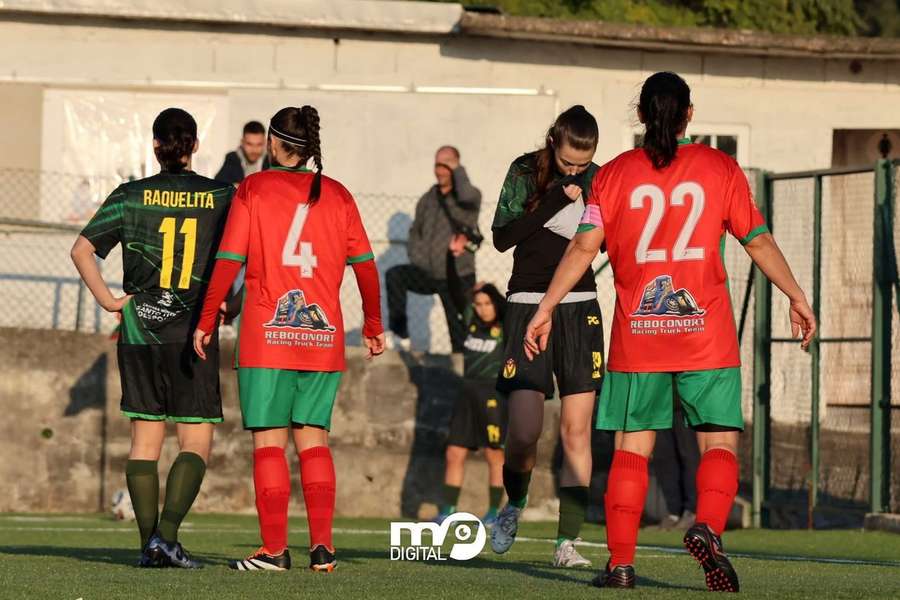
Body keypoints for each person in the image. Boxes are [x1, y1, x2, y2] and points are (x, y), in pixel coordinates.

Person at [524, 72, 816, 591]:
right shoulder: (720, 169)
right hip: (706, 333)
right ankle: (706, 526)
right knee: (718, 442)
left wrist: (546, 305)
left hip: (639, 336)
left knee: (633, 449)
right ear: (689, 114)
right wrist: (795, 294)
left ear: (641, 114)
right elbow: (758, 241)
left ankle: (619, 566)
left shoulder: (611, 175)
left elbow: (584, 248)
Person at [193, 105, 385, 573]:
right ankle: (323, 548)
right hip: (322, 336)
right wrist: (375, 325)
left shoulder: (253, 188)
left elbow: (228, 259)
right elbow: (365, 267)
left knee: (269, 445)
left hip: (267, 336)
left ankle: (274, 550)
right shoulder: (337, 194)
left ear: (275, 145)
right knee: (314, 440)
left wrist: (205, 318)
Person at [70, 108, 234, 568]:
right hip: (194, 333)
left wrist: (107, 301)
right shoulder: (223, 195)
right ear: (195, 145)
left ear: (156, 146)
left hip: (140, 329)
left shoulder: (130, 195)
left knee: (145, 441)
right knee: (195, 443)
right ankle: (167, 537)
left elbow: (81, 250)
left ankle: (149, 547)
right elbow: (240, 254)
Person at [489, 105, 606, 569]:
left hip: (581, 308)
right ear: (554, 141)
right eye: (569, 161)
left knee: (576, 431)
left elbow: (606, 238)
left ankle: (567, 542)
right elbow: (502, 237)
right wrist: (556, 198)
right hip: (525, 304)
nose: (577, 170)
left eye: (585, 162)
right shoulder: (525, 170)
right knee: (523, 432)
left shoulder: (601, 178)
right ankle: (513, 504)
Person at [386, 146, 481, 352]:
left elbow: (467, 194)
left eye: (445, 165)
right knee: (395, 275)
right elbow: (415, 232)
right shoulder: (428, 199)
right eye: (437, 164)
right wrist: (419, 259)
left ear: (456, 166)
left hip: (457, 275)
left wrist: (458, 170)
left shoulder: (468, 197)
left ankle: (463, 375)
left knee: (461, 334)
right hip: (428, 273)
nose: (439, 170)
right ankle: (400, 334)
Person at [437, 258, 507, 526]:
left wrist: (487, 287)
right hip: (467, 393)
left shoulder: (506, 325)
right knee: (454, 452)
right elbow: (454, 291)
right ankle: (448, 510)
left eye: (487, 303)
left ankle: (493, 513)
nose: (482, 308)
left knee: (494, 454)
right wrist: (452, 259)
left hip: (493, 394)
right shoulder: (471, 321)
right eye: (478, 304)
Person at [653, 396, 699, 530]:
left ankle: (692, 511)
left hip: (686, 402)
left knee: (689, 455)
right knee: (663, 457)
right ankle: (673, 512)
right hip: (660, 403)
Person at [215, 121, 269, 185]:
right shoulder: (232, 158)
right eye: (249, 144)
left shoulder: (271, 161)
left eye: (259, 144)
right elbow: (218, 183)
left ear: (265, 142)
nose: (254, 150)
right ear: (242, 142)